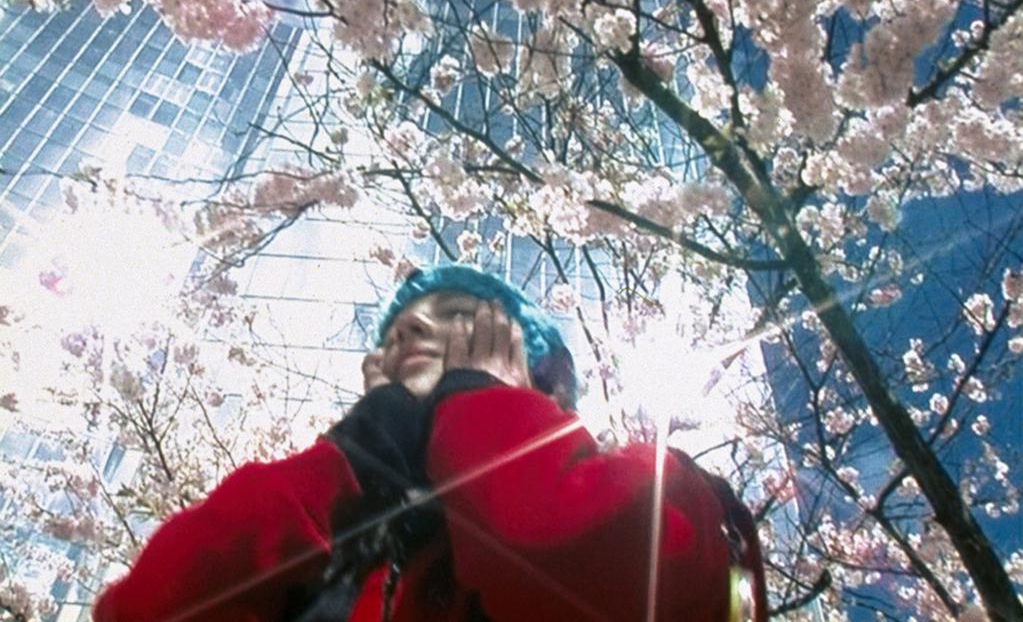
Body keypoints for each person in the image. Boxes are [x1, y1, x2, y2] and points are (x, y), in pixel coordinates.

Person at [92, 265, 767, 622]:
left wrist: (484, 400)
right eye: (394, 339)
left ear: (546, 371)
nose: (411, 342)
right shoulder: (340, 553)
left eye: (453, 323)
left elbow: (575, 558)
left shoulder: (676, 494)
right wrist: (344, 463)